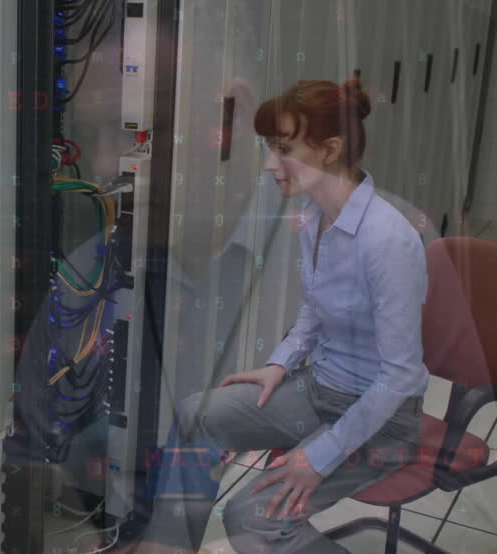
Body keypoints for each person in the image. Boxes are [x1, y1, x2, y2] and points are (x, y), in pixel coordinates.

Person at [119, 78, 429, 554]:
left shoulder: (387, 240)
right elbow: (317, 305)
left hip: (382, 422)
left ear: (330, 150)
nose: (269, 164)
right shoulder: (313, 214)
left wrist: (320, 457)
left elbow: (401, 377)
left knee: (250, 518)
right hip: (320, 390)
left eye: (283, 149)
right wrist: (280, 362)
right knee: (197, 415)